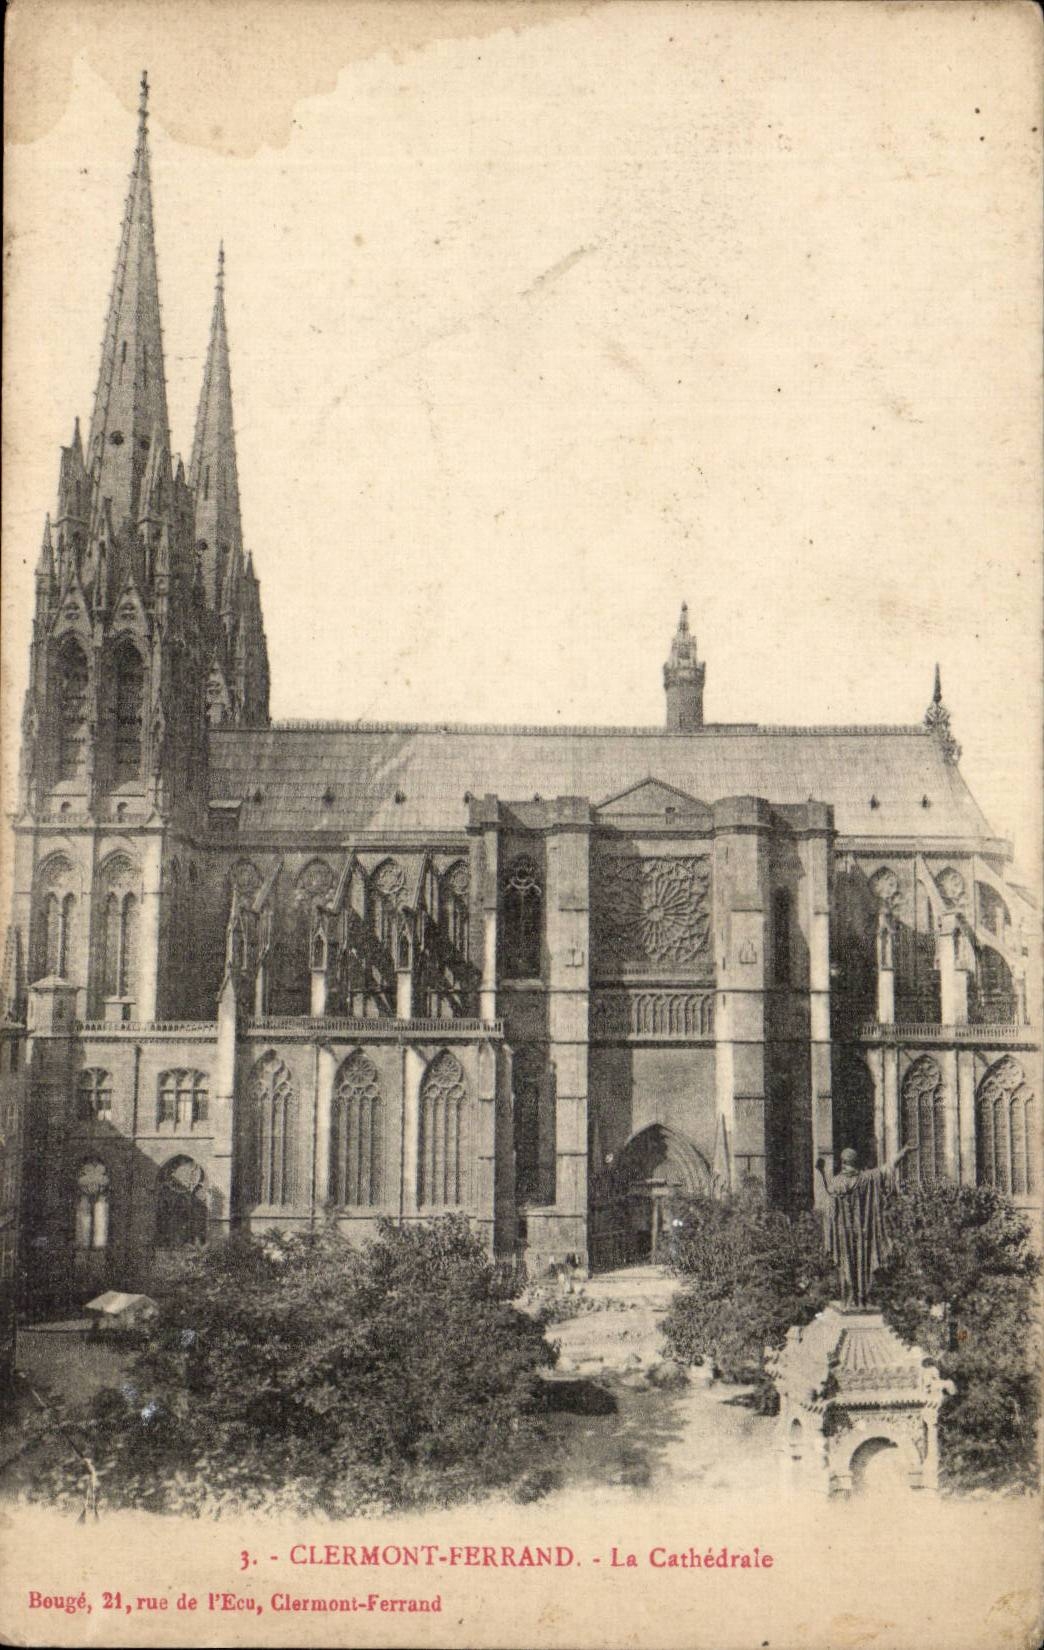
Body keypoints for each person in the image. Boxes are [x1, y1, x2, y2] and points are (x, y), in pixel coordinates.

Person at [815, 1144, 913, 1308]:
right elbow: (888, 1167)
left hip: (844, 1234)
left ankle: (849, 1300)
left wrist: (823, 1173)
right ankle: (861, 1299)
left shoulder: (838, 1182)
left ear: (843, 1162)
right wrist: (903, 1153)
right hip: (863, 1232)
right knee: (863, 1263)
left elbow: (829, 1204)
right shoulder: (867, 1178)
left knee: (846, 1264)